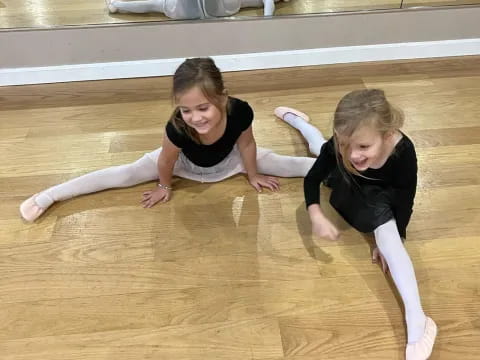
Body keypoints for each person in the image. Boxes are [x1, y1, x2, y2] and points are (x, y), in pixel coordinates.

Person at [20, 57, 315, 222]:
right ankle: (50, 195)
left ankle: (335, 161)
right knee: (126, 173)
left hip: (232, 159)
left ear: (222, 98)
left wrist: (253, 174)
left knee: (292, 165)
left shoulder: (240, 111)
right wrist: (163, 184)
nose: (195, 117)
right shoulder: (176, 127)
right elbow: (166, 159)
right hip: (183, 166)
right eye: (186, 109)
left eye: (203, 108)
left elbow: (247, 144)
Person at [274, 89, 437, 360]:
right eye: (344, 143)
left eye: (363, 147)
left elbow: (406, 197)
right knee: (318, 151)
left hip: (379, 195)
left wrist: (400, 235)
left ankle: (418, 319)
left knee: (387, 234)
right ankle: (299, 121)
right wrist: (314, 212)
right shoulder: (346, 151)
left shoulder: (403, 152)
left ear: (387, 135)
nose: (353, 154)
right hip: (347, 181)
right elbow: (313, 178)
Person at [105, 0, 287, 19]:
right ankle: (118, 5)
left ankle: (117, 4)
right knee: (155, 5)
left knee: (155, 5)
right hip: (219, 9)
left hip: (220, 8)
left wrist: (267, 21)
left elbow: (269, 6)